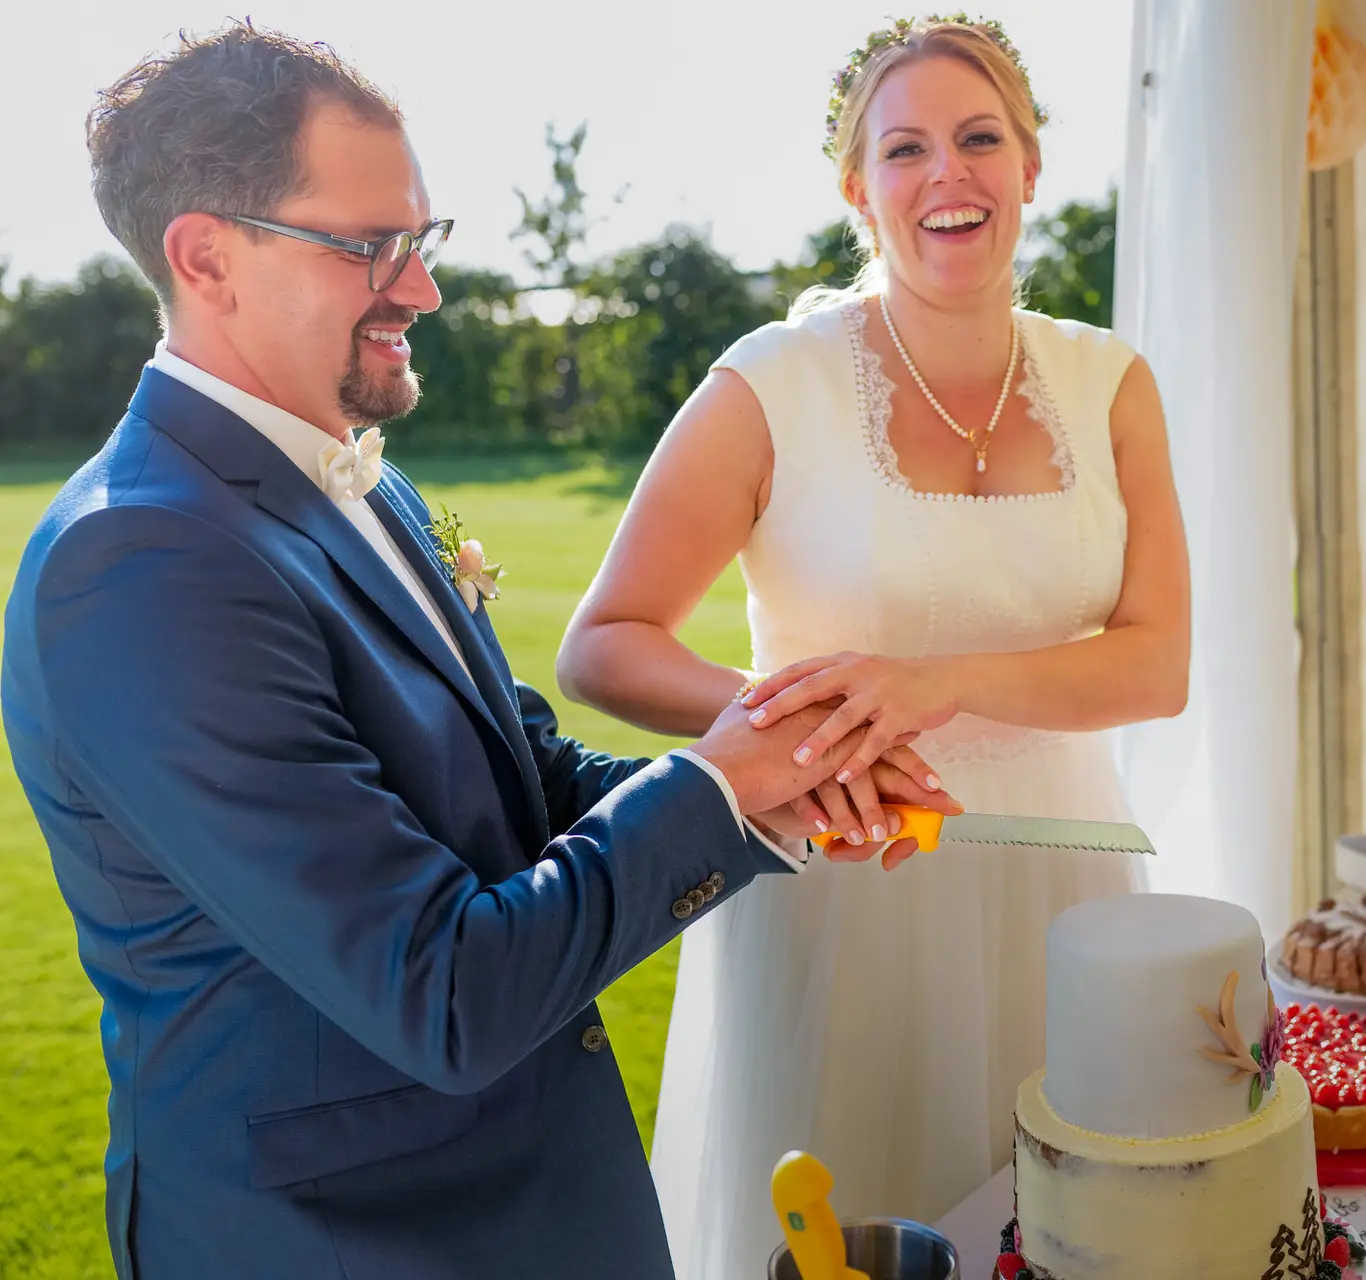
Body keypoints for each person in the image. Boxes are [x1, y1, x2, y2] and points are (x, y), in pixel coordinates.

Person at [0, 23, 953, 1280]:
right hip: (359, 1242)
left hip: (529, 1200)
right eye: (369, 245)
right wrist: (713, 785)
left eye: (420, 238)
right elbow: (442, 989)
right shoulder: (137, 567)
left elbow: (519, 775)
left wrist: (787, 785)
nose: (422, 287)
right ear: (205, 256)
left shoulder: (360, 485)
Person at [555, 15, 1191, 1275]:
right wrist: (809, 728)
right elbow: (605, 644)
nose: (947, 174)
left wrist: (935, 683)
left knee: (1073, 1231)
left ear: (1029, 165)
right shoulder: (769, 382)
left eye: (978, 139)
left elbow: (1154, 664)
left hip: (1062, 890)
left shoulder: (1114, 381)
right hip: (842, 894)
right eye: (906, 150)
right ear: (860, 188)